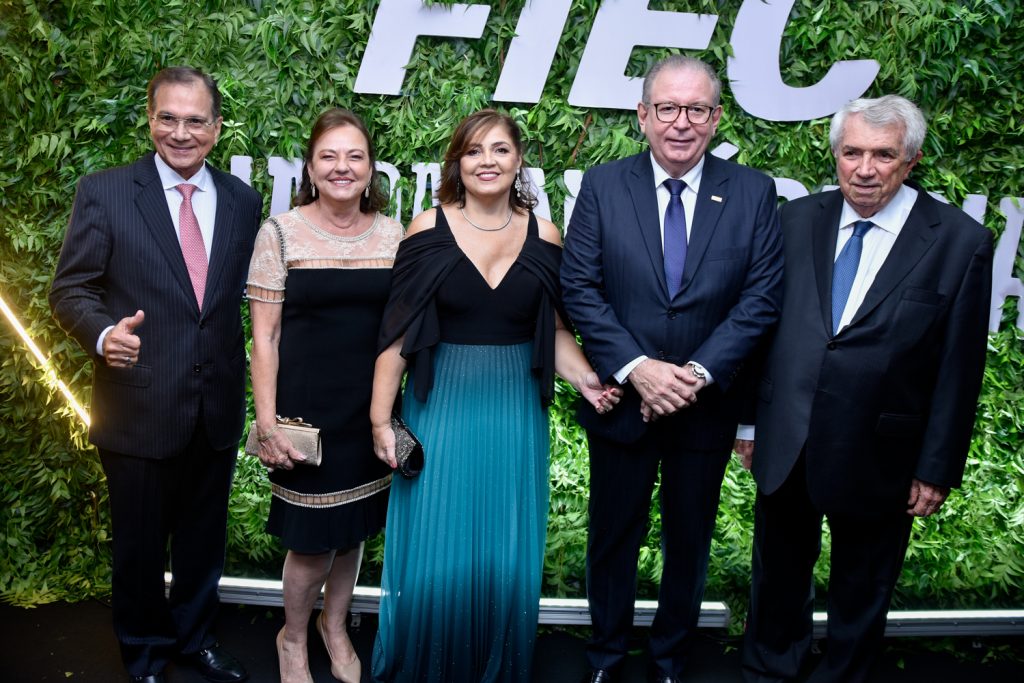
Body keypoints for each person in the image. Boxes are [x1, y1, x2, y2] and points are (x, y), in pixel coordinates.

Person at [738, 95, 993, 683]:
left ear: (911, 161)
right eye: (852, 152)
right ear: (836, 155)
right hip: (790, 437)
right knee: (777, 574)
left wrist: (935, 467)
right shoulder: (795, 220)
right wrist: (750, 422)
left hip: (884, 450)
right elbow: (765, 329)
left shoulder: (959, 242)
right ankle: (771, 669)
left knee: (863, 584)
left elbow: (960, 368)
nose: (865, 168)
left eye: (883, 155)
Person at [369, 109, 620, 683]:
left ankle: (493, 663)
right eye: (475, 151)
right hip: (442, 407)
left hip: (514, 410)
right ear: (457, 161)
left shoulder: (544, 234)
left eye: (500, 150)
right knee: (439, 543)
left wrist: (587, 380)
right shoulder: (425, 227)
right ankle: (430, 662)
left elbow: (556, 331)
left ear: (519, 160)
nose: (488, 161)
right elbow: (397, 332)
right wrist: (382, 420)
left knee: (502, 546)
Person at [560, 55, 784, 683]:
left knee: (689, 541)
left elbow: (761, 297)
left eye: (695, 110)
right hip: (622, 401)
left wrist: (691, 375)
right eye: (667, 108)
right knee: (612, 537)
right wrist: (638, 369)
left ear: (715, 118)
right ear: (642, 115)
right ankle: (605, 654)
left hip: (703, 407)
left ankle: (670, 659)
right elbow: (580, 287)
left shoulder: (752, 191)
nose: (680, 122)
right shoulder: (603, 187)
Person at [49, 67, 261, 683]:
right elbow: (71, 288)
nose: (181, 132)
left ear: (217, 129)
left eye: (196, 120)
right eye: (168, 117)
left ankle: (193, 639)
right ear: (150, 119)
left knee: (203, 542)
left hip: (215, 403)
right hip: (137, 404)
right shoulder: (107, 192)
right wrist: (102, 334)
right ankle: (142, 650)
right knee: (139, 546)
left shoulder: (243, 201)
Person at [246, 108, 402, 683]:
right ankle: (292, 636)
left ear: (371, 168)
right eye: (329, 156)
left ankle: (333, 627)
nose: (342, 167)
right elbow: (265, 336)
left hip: (369, 413)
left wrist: (385, 415)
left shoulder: (393, 233)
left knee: (353, 529)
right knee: (312, 544)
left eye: (354, 156)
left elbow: (400, 329)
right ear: (310, 166)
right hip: (303, 416)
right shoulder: (280, 232)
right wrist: (267, 423)